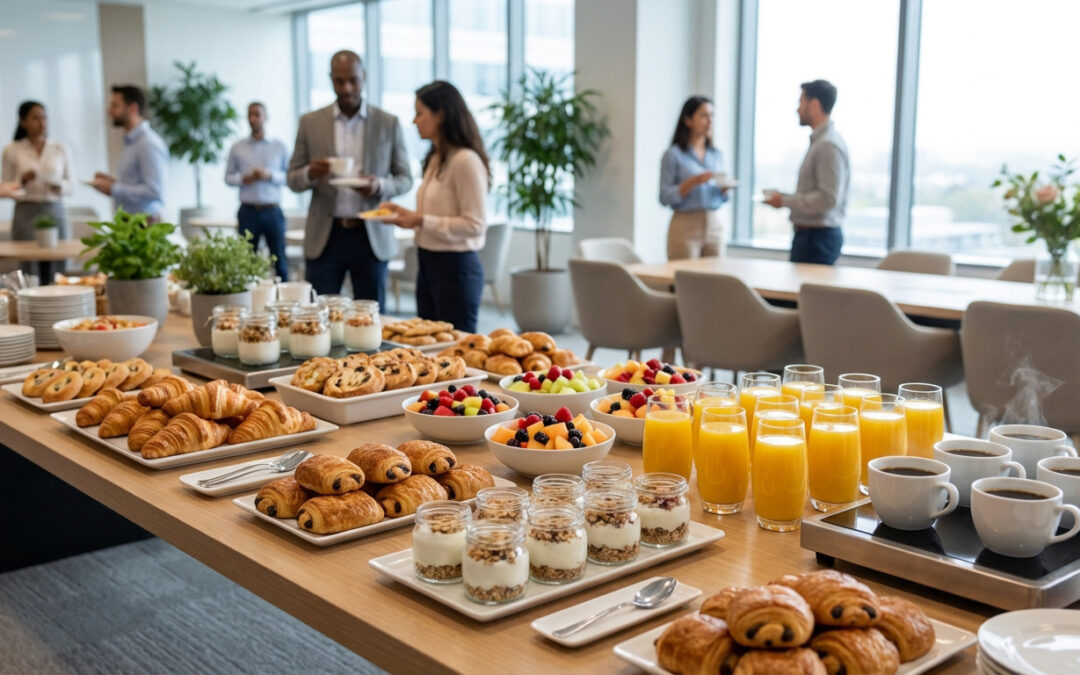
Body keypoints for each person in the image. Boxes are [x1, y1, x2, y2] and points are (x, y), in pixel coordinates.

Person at [287, 50, 412, 306]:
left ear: (364, 77)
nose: (346, 88)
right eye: (339, 81)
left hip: (370, 236)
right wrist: (311, 172)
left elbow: (405, 178)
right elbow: (292, 179)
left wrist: (378, 185)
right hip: (326, 235)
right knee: (320, 316)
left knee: (371, 317)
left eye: (353, 80)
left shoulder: (388, 123)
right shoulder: (310, 122)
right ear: (330, 79)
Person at [378, 81, 489, 333]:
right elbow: (433, 214)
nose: (414, 121)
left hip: (456, 269)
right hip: (428, 262)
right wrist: (406, 215)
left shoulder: (465, 161)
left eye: (420, 113)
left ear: (440, 115)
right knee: (430, 348)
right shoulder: (436, 158)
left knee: (458, 351)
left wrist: (420, 220)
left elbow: (475, 224)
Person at [764, 79, 849, 265]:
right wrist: (784, 198)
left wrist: (785, 201)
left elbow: (828, 198)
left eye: (801, 102)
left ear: (815, 104)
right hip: (811, 237)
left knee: (805, 293)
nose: (797, 109)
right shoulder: (821, 142)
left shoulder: (828, 144)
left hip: (817, 239)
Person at [1, 100, 73, 276]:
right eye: (35, 118)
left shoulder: (60, 148)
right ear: (23, 121)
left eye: (44, 118)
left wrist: (57, 185)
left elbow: (70, 185)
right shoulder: (12, 150)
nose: (42, 123)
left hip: (54, 207)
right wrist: (22, 180)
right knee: (28, 267)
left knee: (57, 265)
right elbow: (6, 185)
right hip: (26, 211)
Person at [659, 96, 731, 259]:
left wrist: (724, 190)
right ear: (688, 120)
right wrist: (692, 182)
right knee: (685, 280)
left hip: (713, 224)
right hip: (685, 225)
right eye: (704, 116)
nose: (710, 121)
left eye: (712, 116)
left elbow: (722, 197)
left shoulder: (716, 155)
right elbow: (664, 197)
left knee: (716, 280)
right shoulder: (674, 155)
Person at [225, 102, 291, 281]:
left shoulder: (279, 146)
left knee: (280, 262)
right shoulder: (237, 147)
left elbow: (290, 177)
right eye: (250, 115)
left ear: (265, 117)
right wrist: (243, 179)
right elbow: (228, 178)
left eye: (257, 114)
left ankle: (284, 302)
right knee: (245, 263)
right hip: (248, 211)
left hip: (272, 211)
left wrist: (269, 175)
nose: (253, 119)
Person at [91, 85, 169, 221]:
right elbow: (136, 183)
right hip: (129, 220)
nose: (109, 111)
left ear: (133, 108)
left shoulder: (147, 143)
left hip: (144, 223)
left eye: (115, 106)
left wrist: (114, 188)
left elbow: (154, 191)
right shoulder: (131, 141)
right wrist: (111, 183)